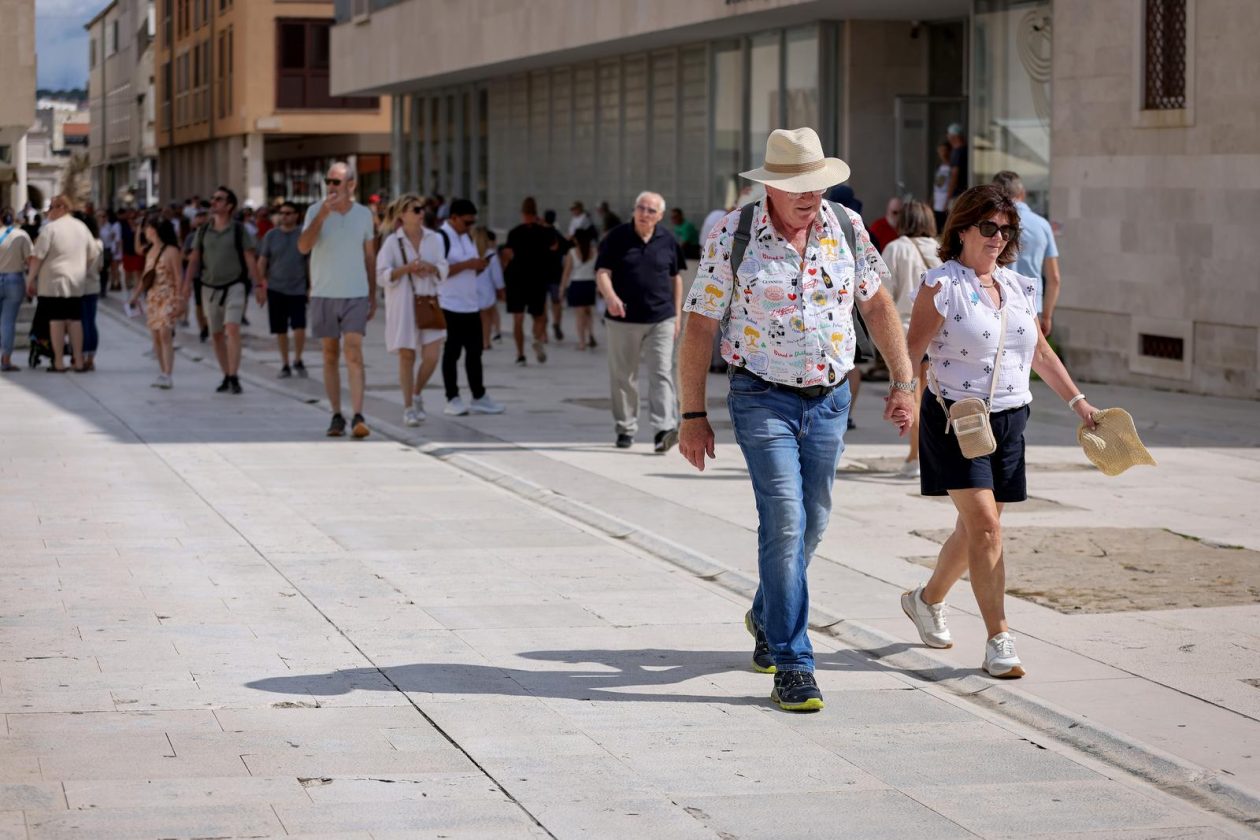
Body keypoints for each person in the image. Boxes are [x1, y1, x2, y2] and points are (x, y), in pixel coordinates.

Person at [678, 127, 915, 712]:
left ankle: (766, 612)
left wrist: (904, 381)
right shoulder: (732, 233)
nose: (812, 196)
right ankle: (792, 661)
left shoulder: (846, 227)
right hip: (761, 397)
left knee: (813, 521)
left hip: (832, 398)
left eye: (819, 184)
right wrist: (691, 414)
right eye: (799, 186)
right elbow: (701, 326)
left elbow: (877, 304)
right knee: (784, 519)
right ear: (772, 186)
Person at [902, 184, 1098, 679]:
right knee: (987, 527)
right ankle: (999, 639)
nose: (997, 237)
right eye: (987, 227)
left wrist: (1078, 402)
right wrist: (903, 396)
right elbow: (912, 350)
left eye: (1005, 230)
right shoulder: (941, 285)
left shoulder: (1017, 286)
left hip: (1011, 418)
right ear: (963, 229)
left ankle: (926, 600)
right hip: (957, 419)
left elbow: (1040, 353)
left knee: (974, 529)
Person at [595, 190, 685, 453]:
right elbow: (602, 272)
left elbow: (675, 277)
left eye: (650, 210)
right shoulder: (617, 237)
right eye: (641, 208)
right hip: (623, 320)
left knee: (662, 373)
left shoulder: (667, 239)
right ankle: (625, 428)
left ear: (660, 216)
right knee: (624, 376)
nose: (644, 214)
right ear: (634, 210)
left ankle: (664, 429)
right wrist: (610, 297)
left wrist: (677, 314)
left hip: (661, 318)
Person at [298, 161, 378, 438]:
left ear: (351, 185)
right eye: (328, 182)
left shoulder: (364, 215)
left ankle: (358, 415)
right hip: (323, 293)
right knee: (330, 354)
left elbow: (370, 256)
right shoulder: (314, 211)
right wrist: (321, 216)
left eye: (336, 182)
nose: (331, 187)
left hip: (355, 293)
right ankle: (336, 415)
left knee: (354, 351)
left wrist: (373, 293)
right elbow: (303, 247)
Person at [880, 199, 942, 478]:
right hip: (939, 333)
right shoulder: (942, 250)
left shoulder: (895, 249)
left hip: (906, 333)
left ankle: (917, 456)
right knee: (934, 397)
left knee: (911, 396)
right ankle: (932, 455)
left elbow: (883, 295)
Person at [377, 194, 449, 426]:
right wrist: (406, 269)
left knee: (432, 356)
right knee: (407, 355)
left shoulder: (434, 239)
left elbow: (444, 267)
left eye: (422, 209)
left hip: (428, 300)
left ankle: (417, 393)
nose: (421, 213)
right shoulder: (392, 242)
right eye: (415, 210)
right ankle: (408, 407)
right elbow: (382, 275)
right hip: (403, 303)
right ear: (402, 215)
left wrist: (430, 268)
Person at [184, 186, 259, 395]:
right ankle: (226, 374)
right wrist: (185, 286)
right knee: (216, 334)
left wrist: (260, 285)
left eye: (219, 199)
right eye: (213, 198)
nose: (213, 202)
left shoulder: (238, 230)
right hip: (210, 288)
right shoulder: (203, 230)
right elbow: (194, 260)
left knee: (232, 328)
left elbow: (249, 258)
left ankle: (234, 375)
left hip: (235, 285)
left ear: (229, 206)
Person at [439, 199, 505, 416]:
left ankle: (478, 395)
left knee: (475, 352)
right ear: (454, 217)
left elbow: (468, 268)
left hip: (470, 304)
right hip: (450, 304)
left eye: (472, 223)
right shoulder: (442, 238)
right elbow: (440, 271)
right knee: (452, 353)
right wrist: (469, 265)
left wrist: (479, 266)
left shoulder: (465, 237)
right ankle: (452, 397)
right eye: (466, 222)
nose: (469, 227)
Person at [25, 195, 102, 373]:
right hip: (76, 282)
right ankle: (79, 361)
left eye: (51, 207)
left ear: (61, 208)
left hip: (54, 283)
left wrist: (30, 279)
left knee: (56, 321)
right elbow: (92, 254)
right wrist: (80, 268)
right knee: (75, 321)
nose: (48, 212)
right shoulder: (82, 227)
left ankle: (59, 362)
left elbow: (37, 257)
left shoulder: (50, 229)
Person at [991, 170, 1060, 336]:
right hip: (1031, 306)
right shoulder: (1042, 225)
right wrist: (1047, 317)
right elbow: (1054, 278)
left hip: (994, 301)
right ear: (1022, 193)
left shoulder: (989, 223)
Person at [502, 196, 561, 366]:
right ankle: (536, 339)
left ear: (522, 213)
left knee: (518, 318)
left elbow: (507, 256)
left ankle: (520, 354)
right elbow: (556, 247)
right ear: (536, 213)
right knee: (540, 316)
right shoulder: (544, 232)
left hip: (517, 278)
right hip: (537, 278)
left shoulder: (514, 232)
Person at [257, 201, 309, 379]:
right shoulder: (271, 235)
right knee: (280, 329)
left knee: (299, 326)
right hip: (276, 288)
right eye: (282, 213)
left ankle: (298, 358)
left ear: (296, 215)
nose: (284, 216)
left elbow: (310, 261)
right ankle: (285, 363)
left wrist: (311, 286)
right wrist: (260, 284)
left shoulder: (303, 234)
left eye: (288, 213)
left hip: (298, 288)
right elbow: (263, 260)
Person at [130, 215, 183, 388]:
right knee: (156, 337)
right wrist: (135, 295)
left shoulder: (172, 251)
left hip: (168, 296)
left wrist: (180, 299)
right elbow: (146, 277)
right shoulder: (150, 250)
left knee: (165, 333)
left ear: (155, 230)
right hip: (153, 297)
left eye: (147, 228)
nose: (146, 231)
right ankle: (162, 372)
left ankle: (168, 374)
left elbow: (178, 277)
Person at [0, 206, 33, 371]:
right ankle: (5, 359)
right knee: (8, 322)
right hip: (14, 279)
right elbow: (30, 261)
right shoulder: (21, 235)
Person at [75, 211, 104, 372]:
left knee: (81, 323)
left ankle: (81, 356)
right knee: (91, 322)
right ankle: (91, 358)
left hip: (79, 285)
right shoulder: (99, 243)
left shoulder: (81, 244)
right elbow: (100, 267)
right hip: (94, 285)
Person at [561, 225, 599, 350]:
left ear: (576, 239)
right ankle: (591, 334)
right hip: (590, 284)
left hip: (577, 285)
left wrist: (562, 288)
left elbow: (567, 272)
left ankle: (582, 342)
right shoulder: (594, 251)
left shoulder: (572, 253)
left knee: (579, 316)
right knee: (589, 313)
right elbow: (597, 270)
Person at [473, 227, 504, 351]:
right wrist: (500, 288)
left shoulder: (470, 252)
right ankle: (485, 341)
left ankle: (476, 339)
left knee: (475, 318)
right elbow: (496, 274)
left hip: (472, 288)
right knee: (486, 318)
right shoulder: (491, 254)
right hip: (486, 289)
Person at [541, 208, 570, 341]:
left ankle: (544, 333)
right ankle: (556, 323)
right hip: (556, 273)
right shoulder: (557, 235)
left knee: (542, 304)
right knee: (556, 302)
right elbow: (568, 248)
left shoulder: (538, 233)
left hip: (541, 274)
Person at [182, 207, 210, 342]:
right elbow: (185, 254)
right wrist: (195, 258)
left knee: (210, 303)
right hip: (198, 275)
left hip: (212, 275)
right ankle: (203, 328)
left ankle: (210, 325)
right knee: (199, 304)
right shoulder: (191, 237)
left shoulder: (213, 236)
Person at [946, 123, 968, 208]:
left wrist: (948, 196)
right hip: (964, 193)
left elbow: (954, 175)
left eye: (948, 135)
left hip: (957, 195)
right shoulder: (965, 149)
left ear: (954, 136)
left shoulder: (957, 152)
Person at [932, 141, 952, 231]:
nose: (942, 153)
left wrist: (947, 202)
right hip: (937, 203)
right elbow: (936, 185)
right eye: (940, 151)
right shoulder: (939, 166)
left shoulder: (952, 167)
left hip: (946, 204)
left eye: (944, 150)